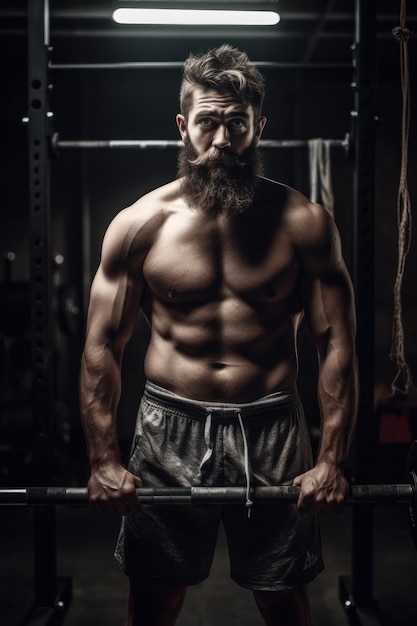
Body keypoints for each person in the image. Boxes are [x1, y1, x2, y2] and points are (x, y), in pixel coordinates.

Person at [80, 44, 358, 626]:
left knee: (281, 595)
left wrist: (332, 459)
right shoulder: (139, 226)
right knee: (155, 595)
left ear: (260, 126)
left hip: (273, 425)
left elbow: (336, 346)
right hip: (169, 427)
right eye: (208, 122)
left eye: (238, 122)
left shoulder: (305, 224)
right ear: (184, 127)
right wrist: (103, 458)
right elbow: (102, 347)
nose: (223, 139)